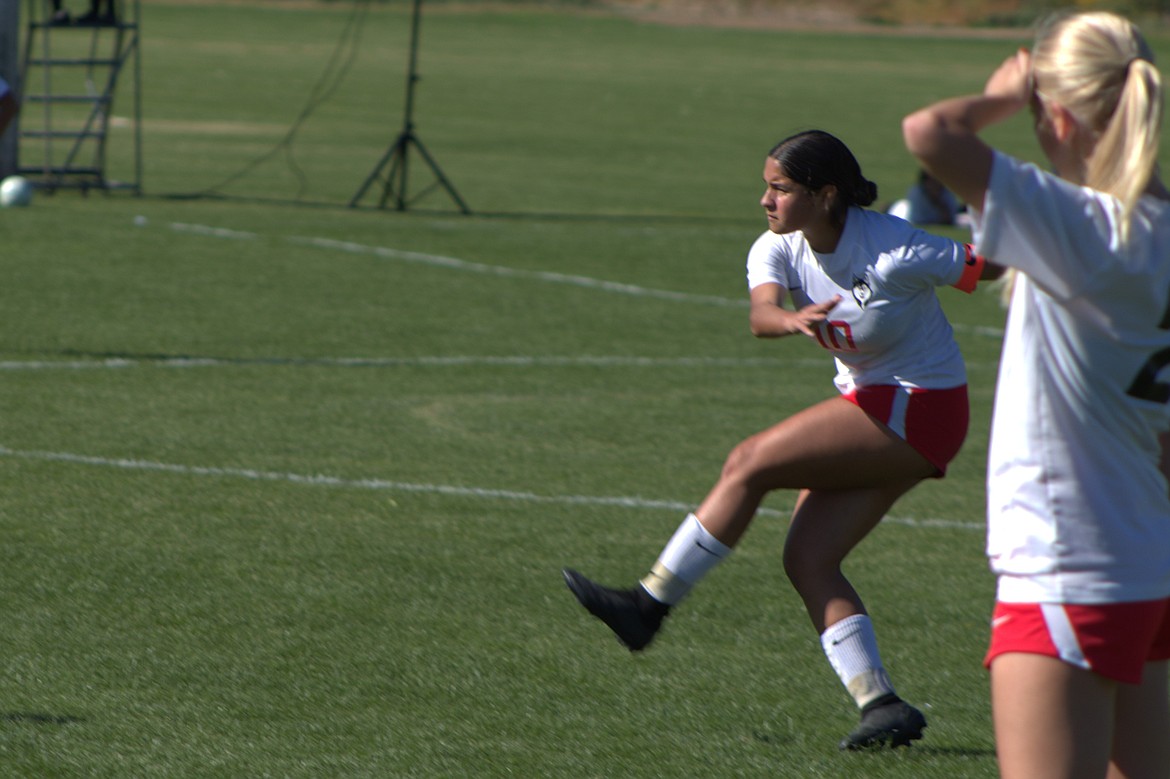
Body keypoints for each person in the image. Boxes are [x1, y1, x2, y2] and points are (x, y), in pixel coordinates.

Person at [564, 129, 997, 750]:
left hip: (923, 404)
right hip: (876, 402)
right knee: (807, 559)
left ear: (825, 195)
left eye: (780, 188)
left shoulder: (896, 247)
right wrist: (790, 318)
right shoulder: (778, 246)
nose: (766, 200)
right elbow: (761, 314)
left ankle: (647, 607)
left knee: (751, 460)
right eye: (766, 186)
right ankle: (882, 704)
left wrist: (1051, 236)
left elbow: (987, 266)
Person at [903, 11, 1170, 779]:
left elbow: (931, 133)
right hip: (1147, 562)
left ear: (1056, 110)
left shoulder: (1087, 230)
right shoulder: (1153, 234)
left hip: (1067, 564)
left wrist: (1001, 93)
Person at [886, 168, 967, 227]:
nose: (935, 184)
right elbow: (917, 220)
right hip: (899, 212)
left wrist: (938, 202)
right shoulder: (917, 193)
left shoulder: (945, 192)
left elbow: (949, 219)